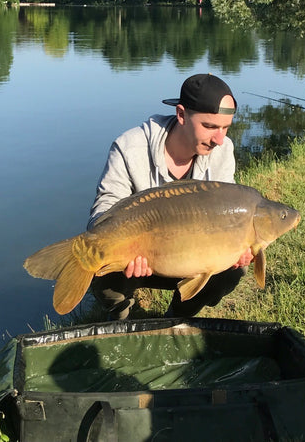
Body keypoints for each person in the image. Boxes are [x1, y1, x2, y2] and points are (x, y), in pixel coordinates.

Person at [88, 73, 254, 319]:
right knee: (97, 263)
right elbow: (103, 211)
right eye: (209, 126)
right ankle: (122, 317)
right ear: (181, 115)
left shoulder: (223, 149)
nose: (219, 139)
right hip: (137, 255)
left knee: (231, 270)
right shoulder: (129, 147)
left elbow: (226, 211)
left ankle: (177, 317)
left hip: (189, 255)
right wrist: (127, 248)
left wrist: (236, 247)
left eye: (225, 128)